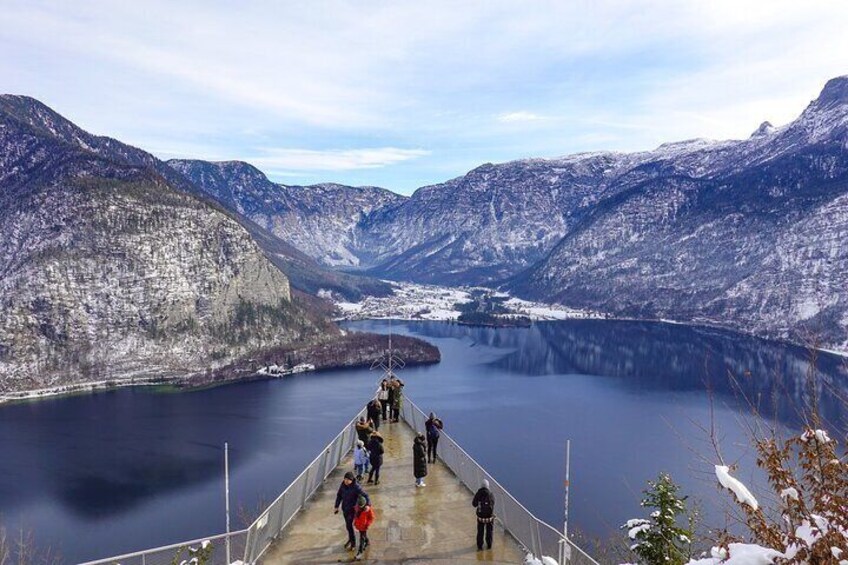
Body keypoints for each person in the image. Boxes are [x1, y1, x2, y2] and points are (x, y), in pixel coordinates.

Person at [334, 471, 370, 551]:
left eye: (348, 480)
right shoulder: (343, 485)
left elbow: (366, 495)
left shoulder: (356, 487)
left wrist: (368, 505)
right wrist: (336, 506)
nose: (346, 481)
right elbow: (339, 495)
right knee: (348, 526)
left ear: (352, 480)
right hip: (345, 509)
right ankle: (353, 540)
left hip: (353, 510)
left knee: (356, 527)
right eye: (345, 479)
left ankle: (356, 542)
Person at [472, 479, 495, 550]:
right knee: (489, 531)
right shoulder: (491, 494)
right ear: (488, 486)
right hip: (489, 517)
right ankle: (489, 545)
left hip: (480, 517)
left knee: (480, 531)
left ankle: (480, 545)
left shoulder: (478, 494)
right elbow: (493, 503)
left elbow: (474, 504)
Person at [353, 494, 375, 560]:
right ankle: (367, 542)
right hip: (359, 526)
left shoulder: (368, 510)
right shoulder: (356, 507)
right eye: (360, 506)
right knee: (363, 535)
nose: (361, 507)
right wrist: (355, 522)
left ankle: (360, 552)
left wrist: (367, 524)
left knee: (361, 538)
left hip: (364, 526)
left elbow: (372, 518)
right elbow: (355, 516)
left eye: (362, 506)